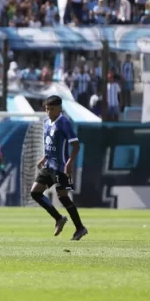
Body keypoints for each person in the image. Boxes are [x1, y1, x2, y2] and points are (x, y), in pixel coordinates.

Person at [30, 95, 88, 241]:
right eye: (47, 109)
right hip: (49, 164)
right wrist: (44, 157)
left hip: (60, 167)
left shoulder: (64, 123)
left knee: (63, 197)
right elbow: (50, 143)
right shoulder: (46, 122)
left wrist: (69, 164)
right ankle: (59, 218)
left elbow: (76, 145)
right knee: (35, 192)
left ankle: (80, 228)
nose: (48, 112)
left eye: (52, 109)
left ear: (59, 108)